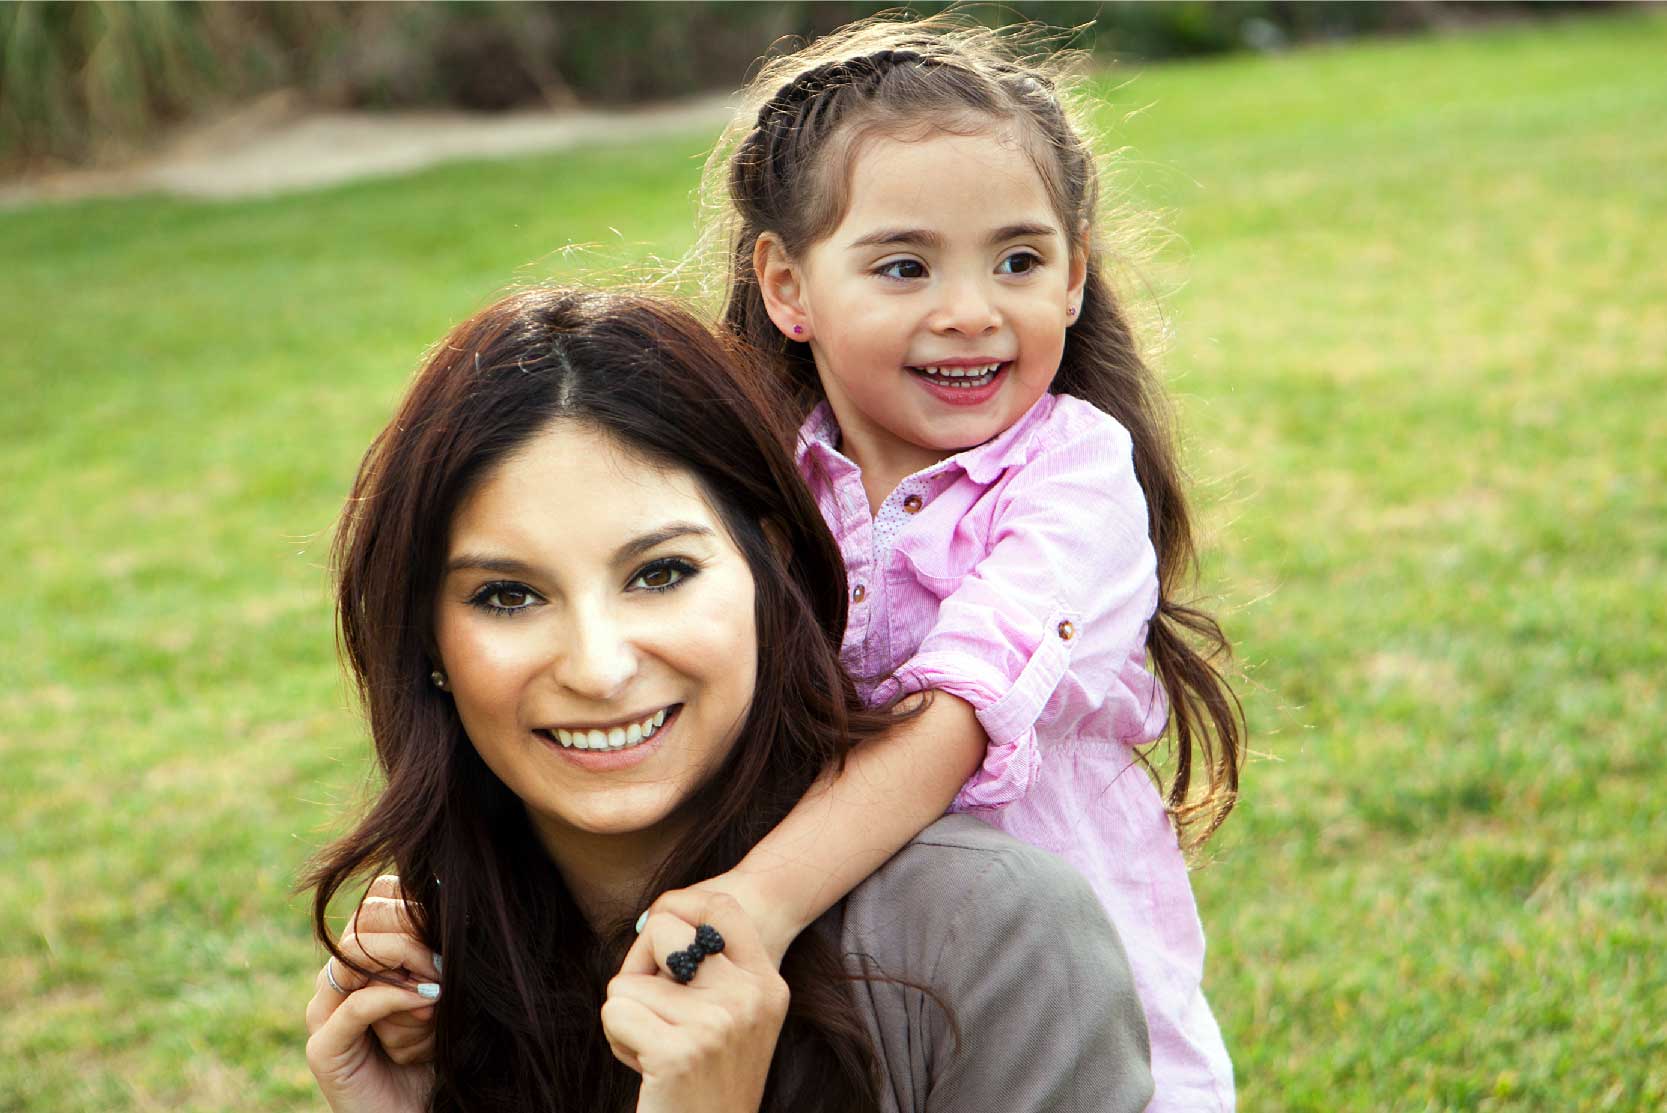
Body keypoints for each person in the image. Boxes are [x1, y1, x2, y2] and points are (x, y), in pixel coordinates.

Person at [301, 286, 1155, 1112]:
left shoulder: (988, 933)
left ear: (770, 572)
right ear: (428, 641)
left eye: (661, 573)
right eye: (507, 596)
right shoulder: (435, 977)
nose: (599, 669)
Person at [655, 15, 1247, 1112]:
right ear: (788, 288)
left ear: (1074, 277)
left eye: (1018, 260)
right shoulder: (761, 483)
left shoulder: (1074, 477)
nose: (970, 311)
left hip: (1061, 1018)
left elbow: (960, 712)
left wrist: (753, 901)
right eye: (903, 265)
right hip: (846, 995)